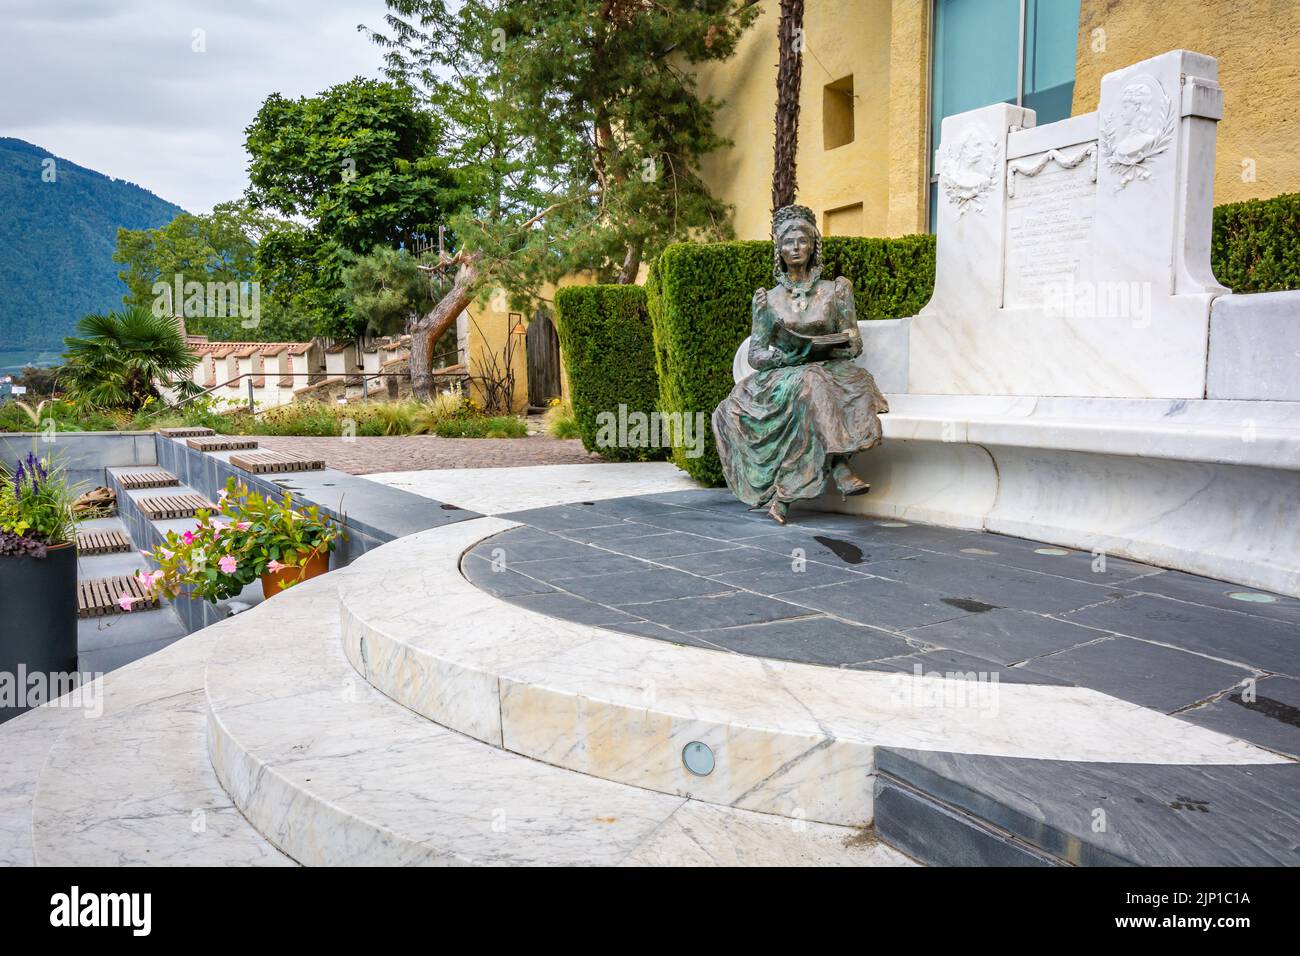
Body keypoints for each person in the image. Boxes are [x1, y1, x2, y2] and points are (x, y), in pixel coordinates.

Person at [711, 204, 889, 524]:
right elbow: (756, 354)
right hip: (783, 374)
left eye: (802, 241)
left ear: (813, 246)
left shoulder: (836, 291)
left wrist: (836, 345)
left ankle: (786, 497)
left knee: (813, 384)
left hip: (830, 371)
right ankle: (840, 467)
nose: (795, 248)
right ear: (778, 249)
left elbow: (854, 343)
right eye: (788, 242)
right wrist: (781, 356)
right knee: (807, 383)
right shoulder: (768, 299)